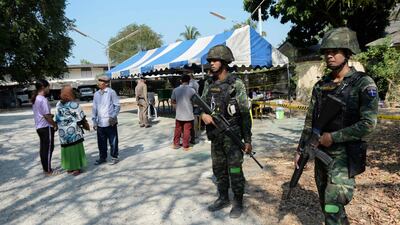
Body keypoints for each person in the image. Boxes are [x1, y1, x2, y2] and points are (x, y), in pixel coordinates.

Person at [294, 27, 378, 225]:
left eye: (335, 51)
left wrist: (334, 137)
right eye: (326, 52)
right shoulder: (321, 85)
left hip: (344, 157)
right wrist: (300, 149)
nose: (329, 56)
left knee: (333, 206)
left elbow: (368, 124)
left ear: (347, 53)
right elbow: (310, 122)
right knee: (327, 206)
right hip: (321, 156)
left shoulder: (363, 84)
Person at [200, 45, 252, 218]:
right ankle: (223, 198)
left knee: (235, 170)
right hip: (215, 136)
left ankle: (238, 201)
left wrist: (247, 140)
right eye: (210, 61)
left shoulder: (236, 84)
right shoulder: (208, 83)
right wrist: (203, 115)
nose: (212, 64)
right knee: (219, 169)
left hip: (233, 135)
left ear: (224, 62)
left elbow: (245, 114)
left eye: (215, 61)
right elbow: (201, 106)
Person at [55, 85, 89, 176]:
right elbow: (81, 118)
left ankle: (69, 168)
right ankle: (76, 168)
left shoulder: (58, 104)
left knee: (66, 149)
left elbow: (56, 117)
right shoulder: (74, 104)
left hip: (63, 132)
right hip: (73, 132)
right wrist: (86, 126)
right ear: (71, 94)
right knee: (75, 148)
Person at [31, 79, 59, 176]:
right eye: (48, 87)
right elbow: (47, 116)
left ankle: (46, 168)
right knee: (48, 149)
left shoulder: (36, 98)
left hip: (39, 127)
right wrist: (55, 124)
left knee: (44, 148)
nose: (49, 89)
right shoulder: (43, 99)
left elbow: (42, 114)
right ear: (43, 87)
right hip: (46, 127)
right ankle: (48, 171)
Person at [92, 76, 120, 165]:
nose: (98, 83)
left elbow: (117, 106)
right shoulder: (96, 94)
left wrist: (113, 116)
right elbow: (94, 108)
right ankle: (102, 157)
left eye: (100, 81)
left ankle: (114, 157)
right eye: (98, 81)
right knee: (101, 142)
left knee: (113, 140)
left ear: (106, 83)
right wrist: (94, 121)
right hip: (100, 122)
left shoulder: (111, 92)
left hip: (110, 121)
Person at [171, 74, 196, 151]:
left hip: (179, 113)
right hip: (188, 113)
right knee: (187, 129)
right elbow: (194, 101)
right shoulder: (192, 90)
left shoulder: (175, 90)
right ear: (189, 81)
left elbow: (173, 101)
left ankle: (176, 144)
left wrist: (176, 108)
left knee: (177, 129)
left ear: (181, 81)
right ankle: (185, 145)